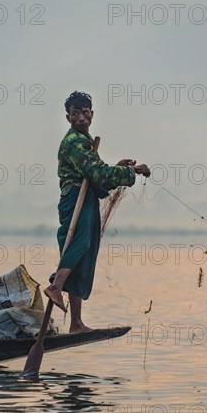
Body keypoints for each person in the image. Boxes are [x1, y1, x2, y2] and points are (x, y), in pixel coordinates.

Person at [45, 91, 151, 333]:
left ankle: (76, 323)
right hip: (74, 199)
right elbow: (99, 174)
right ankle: (55, 287)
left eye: (85, 112)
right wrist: (132, 172)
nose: (81, 117)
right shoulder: (74, 142)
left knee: (84, 256)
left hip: (88, 199)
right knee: (79, 244)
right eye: (75, 114)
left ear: (91, 114)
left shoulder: (85, 141)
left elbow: (98, 178)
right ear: (68, 117)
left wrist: (120, 168)